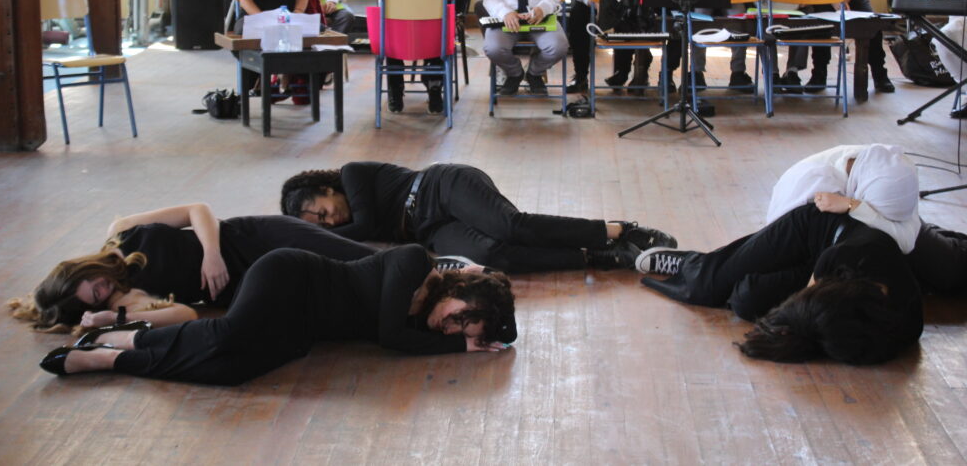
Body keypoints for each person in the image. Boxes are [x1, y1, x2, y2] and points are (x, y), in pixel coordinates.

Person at [38, 245, 517, 385]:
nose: (449, 329)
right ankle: (126, 339)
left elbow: (508, 332)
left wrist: (482, 335)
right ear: (460, 289)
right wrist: (459, 345)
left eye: (460, 330)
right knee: (227, 335)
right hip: (290, 276)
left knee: (233, 370)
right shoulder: (413, 262)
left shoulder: (422, 323)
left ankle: (109, 359)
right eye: (460, 318)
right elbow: (390, 336)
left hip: (301, 328)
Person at [8, 204, 377, 334]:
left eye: (93, 282)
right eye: (96, 296)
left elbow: (196, 210)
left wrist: (211, 253)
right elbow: (185, 314)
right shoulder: (127, 301)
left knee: (364, 259)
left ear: (81, 268)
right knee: (352, 287)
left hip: (251, 236)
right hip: (257, 279)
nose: (103, 286)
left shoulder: (120, 234)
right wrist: (115, 319)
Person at [635, 203, 923, 365]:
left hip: (827, 271)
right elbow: (803, 307)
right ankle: (690, 262)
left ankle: (721, 268)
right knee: (707, 288)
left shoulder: (902, 328)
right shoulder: (846, 257)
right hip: (812, 230)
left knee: (745, 301)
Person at [279, 162, 677, 273]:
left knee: (508, 225)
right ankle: (595, 257)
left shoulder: (351, 174)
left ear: (325, 189)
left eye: (322, 214)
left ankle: (617, 230)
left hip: (440, 186)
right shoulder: (344, 217)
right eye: (322, 226)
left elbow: (364, 226)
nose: (331, 223)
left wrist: (310, 238)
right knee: (491, 255)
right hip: (430, 229)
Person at [766, 143, 921, 254]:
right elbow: (779, 241)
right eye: (876, 213)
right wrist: (859, 209)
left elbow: (906, 242)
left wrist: (853, 206)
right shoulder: (813, 185)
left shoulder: (899, 170)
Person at [379, 0, 455, 115]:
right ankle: (396, 91)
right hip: (401, 21)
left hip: (431, 21)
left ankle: (434, 89)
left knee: (439, 37)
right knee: (391, 40)